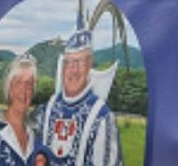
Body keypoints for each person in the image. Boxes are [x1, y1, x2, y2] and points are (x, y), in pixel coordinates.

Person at [37, 24, 121, 166]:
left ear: (89, 65)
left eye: (79, 62)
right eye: (69, 62)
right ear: (62, 67)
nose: (73, 70)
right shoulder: (48, 109)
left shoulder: (102, 117)